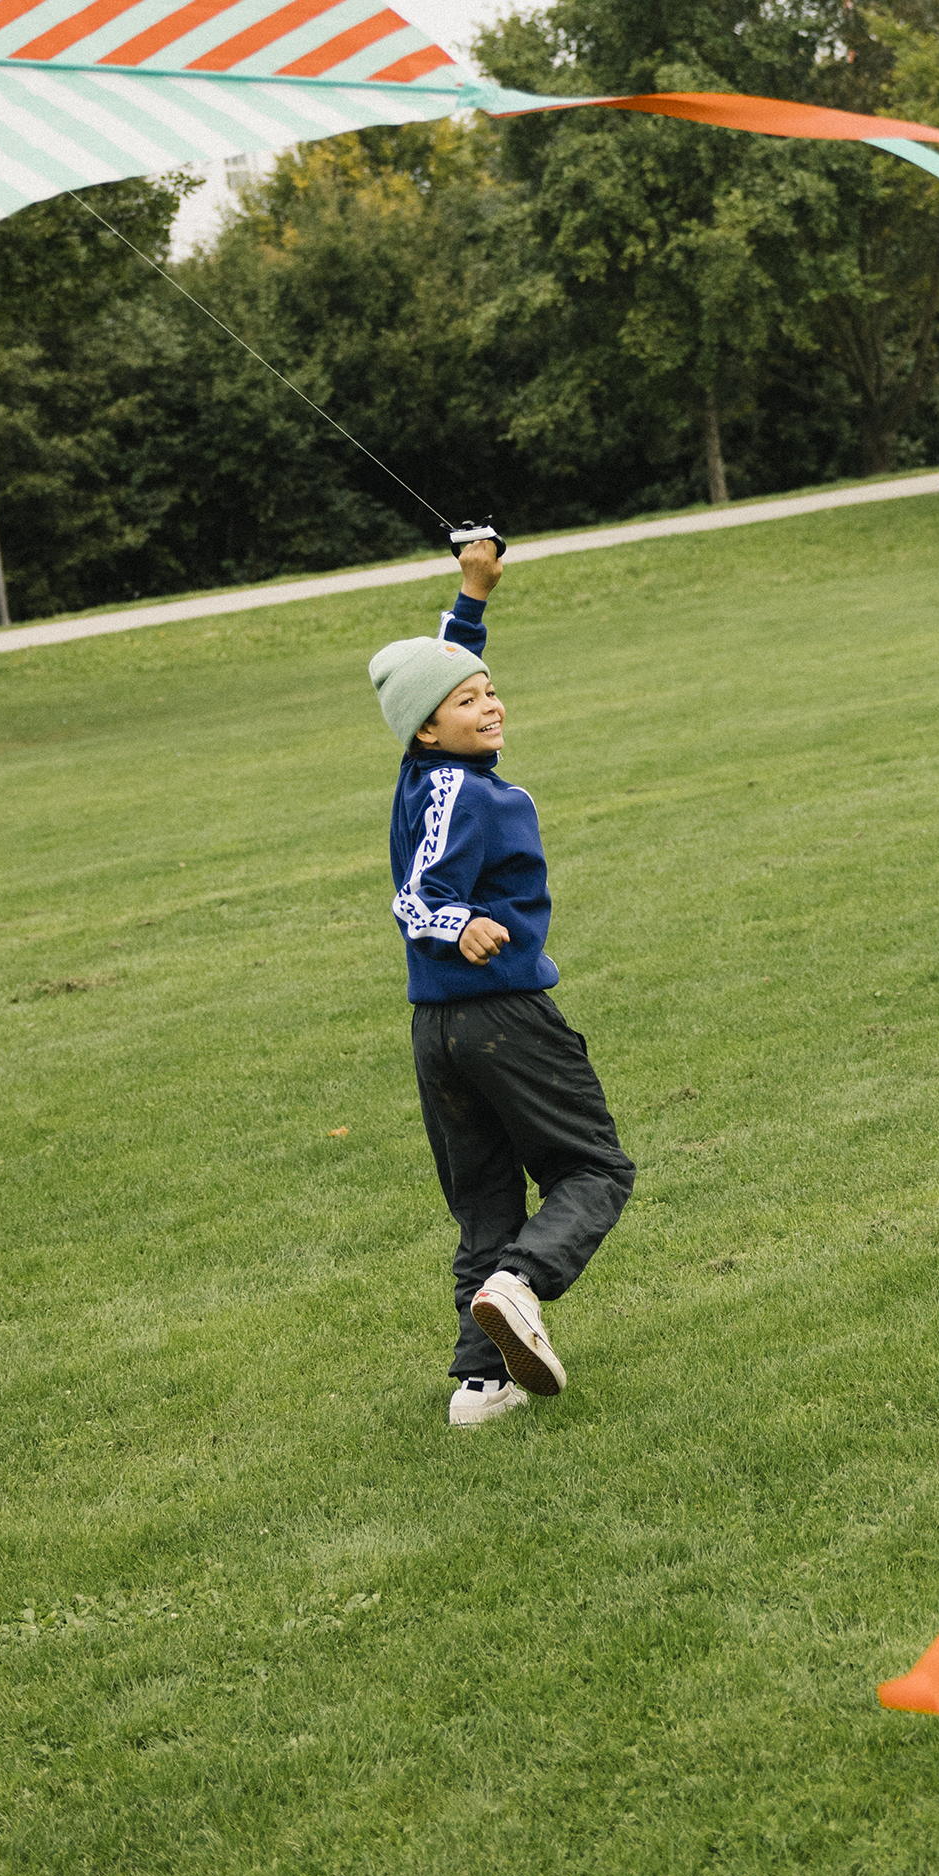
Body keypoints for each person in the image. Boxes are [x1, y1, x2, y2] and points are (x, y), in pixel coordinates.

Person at [367, 535, 634, 1429]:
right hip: (502, 1017)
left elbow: (437, 670)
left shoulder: (421, 769)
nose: (489, 703)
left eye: (488, 691)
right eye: (467, 700)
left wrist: (470, 596)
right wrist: (460, 921)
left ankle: (482, 1386)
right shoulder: (461, 793)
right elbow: (416, 895)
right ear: (428, 730)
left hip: (437, 1033)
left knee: (484, 1201)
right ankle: (521, 1285)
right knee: (594, 1168)